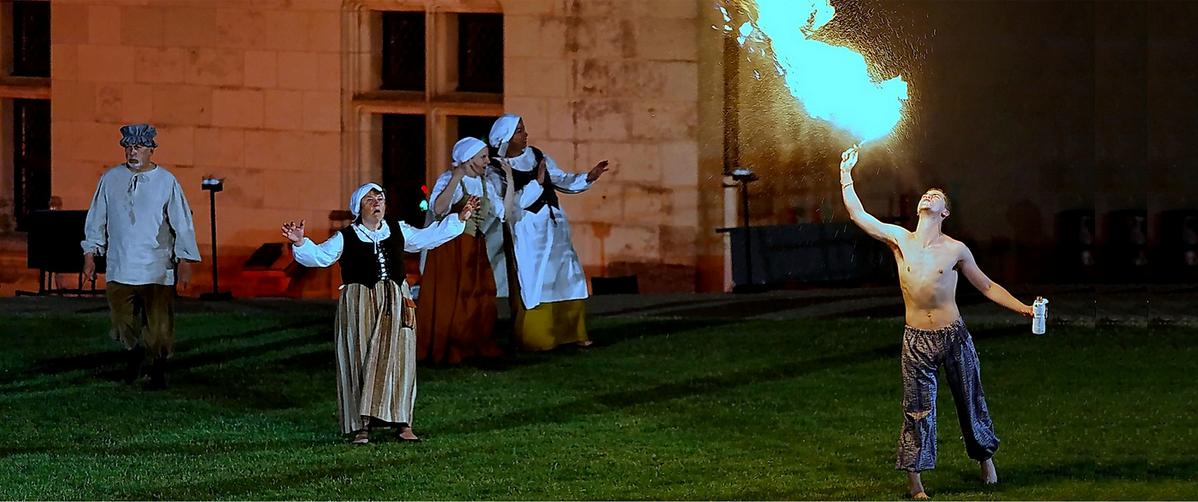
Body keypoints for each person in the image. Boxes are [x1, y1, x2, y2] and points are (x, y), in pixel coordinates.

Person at [838, 146, 1036, 499]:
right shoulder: (900, 239)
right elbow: (858, 215)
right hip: (916, 340)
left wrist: (1023, 309)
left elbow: (987, 285)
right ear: (920, 208)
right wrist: (845, 174)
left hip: (954, 336)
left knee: (970, 401)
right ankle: (915, 484)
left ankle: (985, 459)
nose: (929, 196)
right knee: (917, 410)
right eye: (926, 194)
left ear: (944, 212)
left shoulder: (956, 249)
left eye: (937, 197)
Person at [282, 183, 479, 444]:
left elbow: (428, 237)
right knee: (360, 358)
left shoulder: (398, 230)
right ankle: (362, 425)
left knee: (401, 359)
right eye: (370, 199)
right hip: (360, 302)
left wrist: (458, 219)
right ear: (359, 207)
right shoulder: (347, 236)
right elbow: (321, 256)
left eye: (380, 198)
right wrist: (301, 243)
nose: (377, 202)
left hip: (396, 301)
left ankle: (402, 422)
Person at [81, 124, 200, 390]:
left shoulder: (166, 181)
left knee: (158, 326)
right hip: (120, 266)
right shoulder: (110, 179)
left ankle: (157, 370)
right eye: (128, 147)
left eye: (138, 147)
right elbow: (97, 218)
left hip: (156, 267)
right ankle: (133, 358)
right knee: (124, 322)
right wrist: (90, 253)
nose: (132, 152)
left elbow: (182, 222)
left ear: (150, 150)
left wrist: (184, 261)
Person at [487, 113, 611, 351]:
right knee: (536, 280)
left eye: (523, 129)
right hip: (528, 231)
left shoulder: (537, 155)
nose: (525, 135)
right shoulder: (496, 171)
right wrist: (537, 183)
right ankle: (538, 338)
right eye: (519, 131)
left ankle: (573, 333)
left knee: (567, 276)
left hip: (555, 228)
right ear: (506, 138)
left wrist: (587, 178)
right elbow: (511, 206)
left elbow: (561, 179)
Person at [415, 137, 519, 364]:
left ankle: (472, 342)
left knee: (479, 294)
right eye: (482, 157)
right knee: (451, 296)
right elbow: (438, 208)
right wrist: (456, 176)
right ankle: (449, 345)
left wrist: (509, 179)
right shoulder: (449, 179)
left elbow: (504, 214)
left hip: (474, 246)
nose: (487, 161)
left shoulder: (485, 184)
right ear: (469, 159)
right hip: (451, 248)